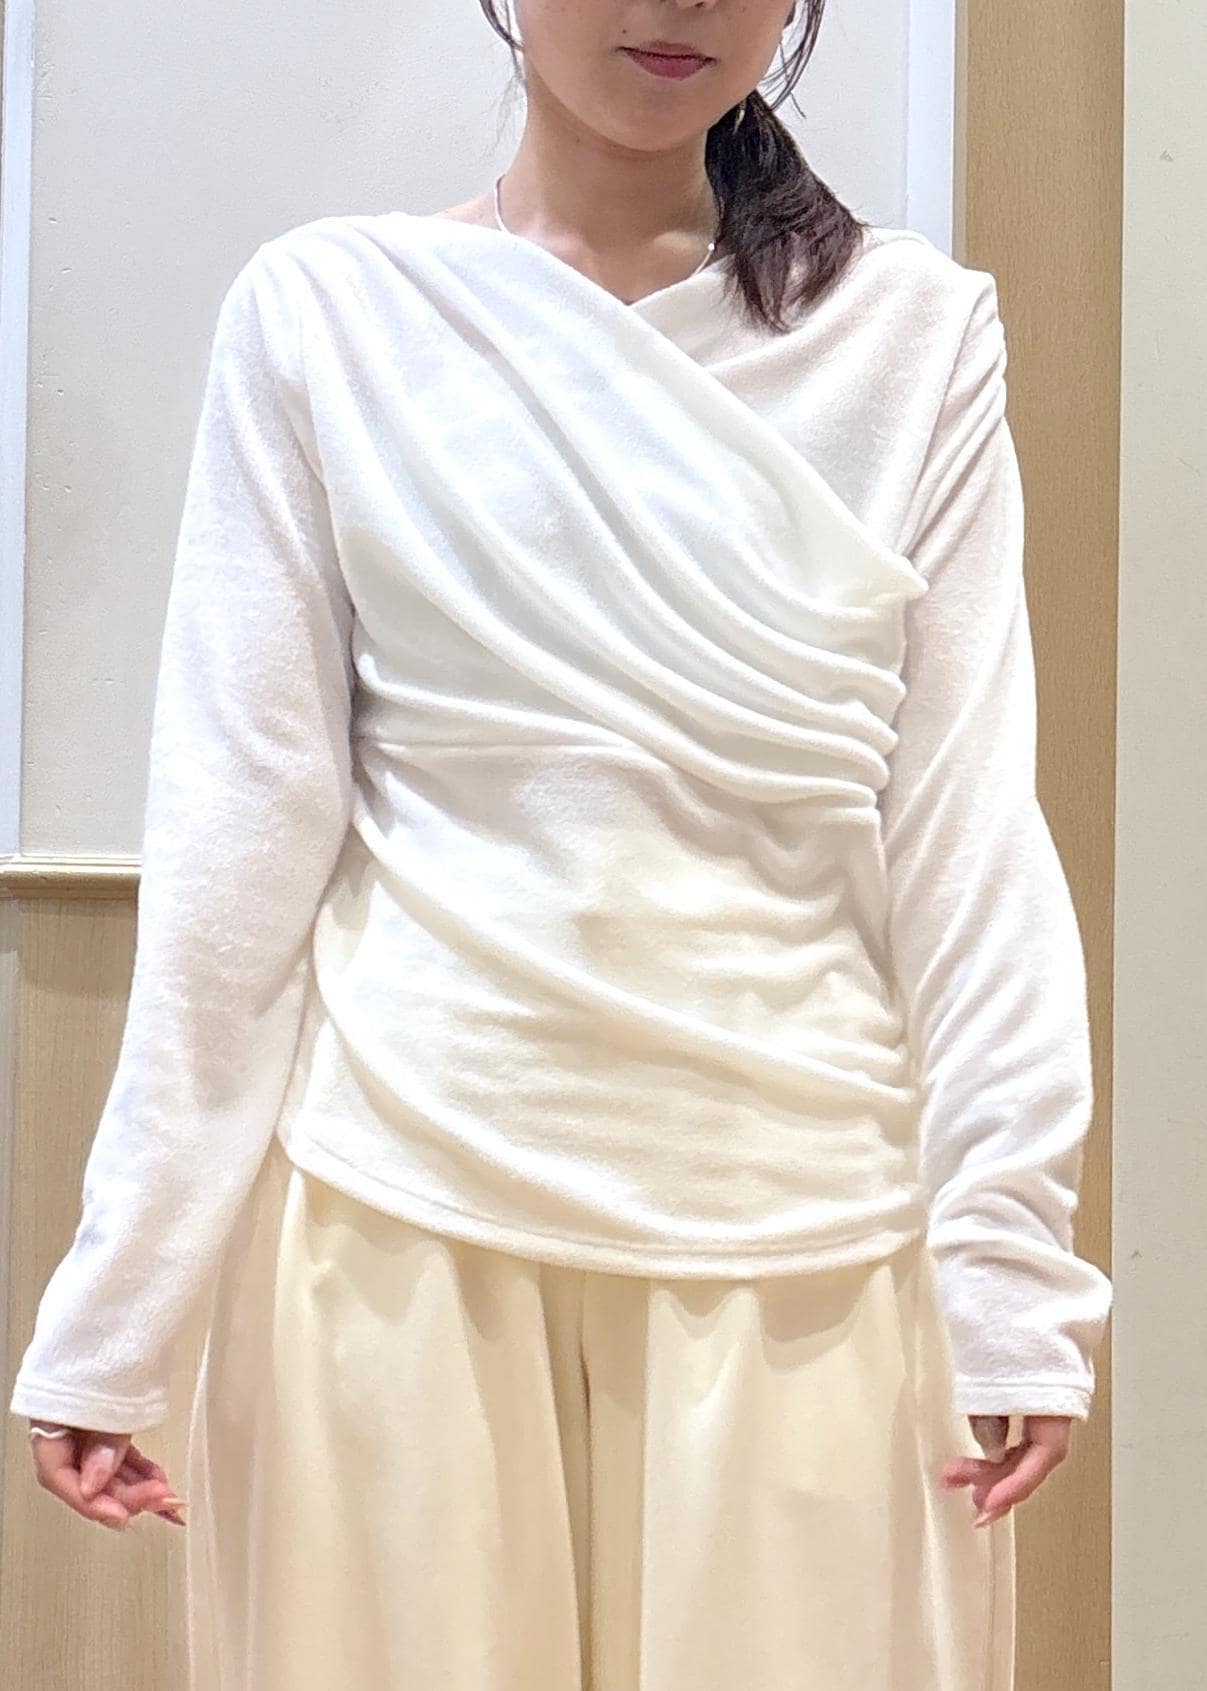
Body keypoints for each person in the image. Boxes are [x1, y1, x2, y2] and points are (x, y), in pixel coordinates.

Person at [11, 1, 1113, 1685]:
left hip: (808, 1232)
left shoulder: (915, 333)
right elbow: (240, 839)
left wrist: (1014, 1269)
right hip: (396, 1220)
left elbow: (967, 829)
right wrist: (119, 1307)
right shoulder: (330, 313)